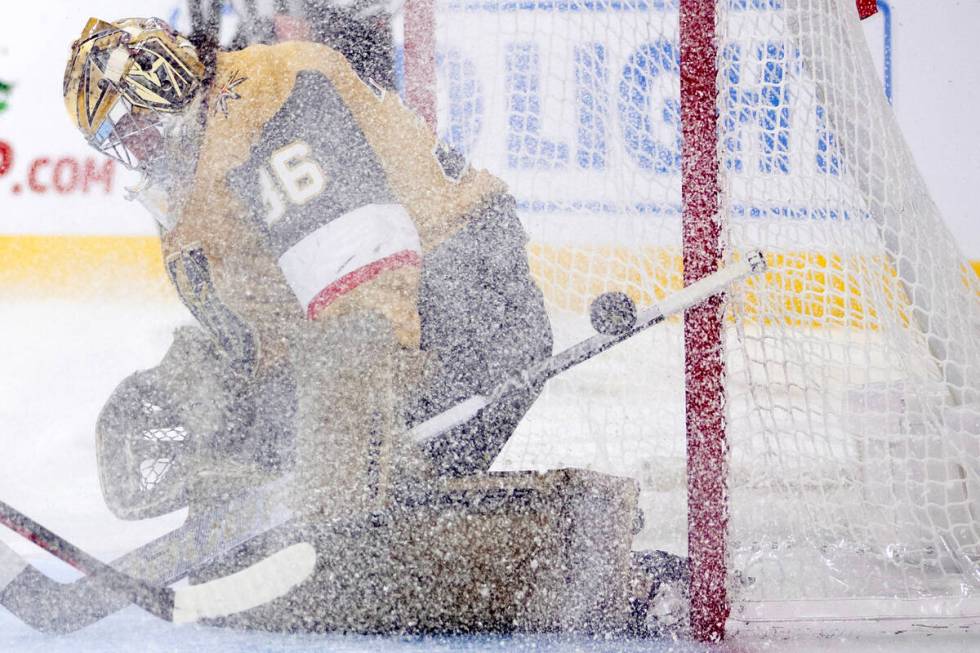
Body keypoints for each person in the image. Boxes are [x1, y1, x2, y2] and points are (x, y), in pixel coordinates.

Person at [63, 15, 684, 636]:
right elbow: (262, 330)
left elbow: (364, 296)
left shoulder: (270, 100)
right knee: (286, 531)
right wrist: (183, 384)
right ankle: (497, 543)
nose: (133, 151)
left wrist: (335, 464)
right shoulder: (199, 170)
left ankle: (604, 572)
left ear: (160, 86)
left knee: (346, 547)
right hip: (369, 337)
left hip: (464, 318)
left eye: (130, 128)